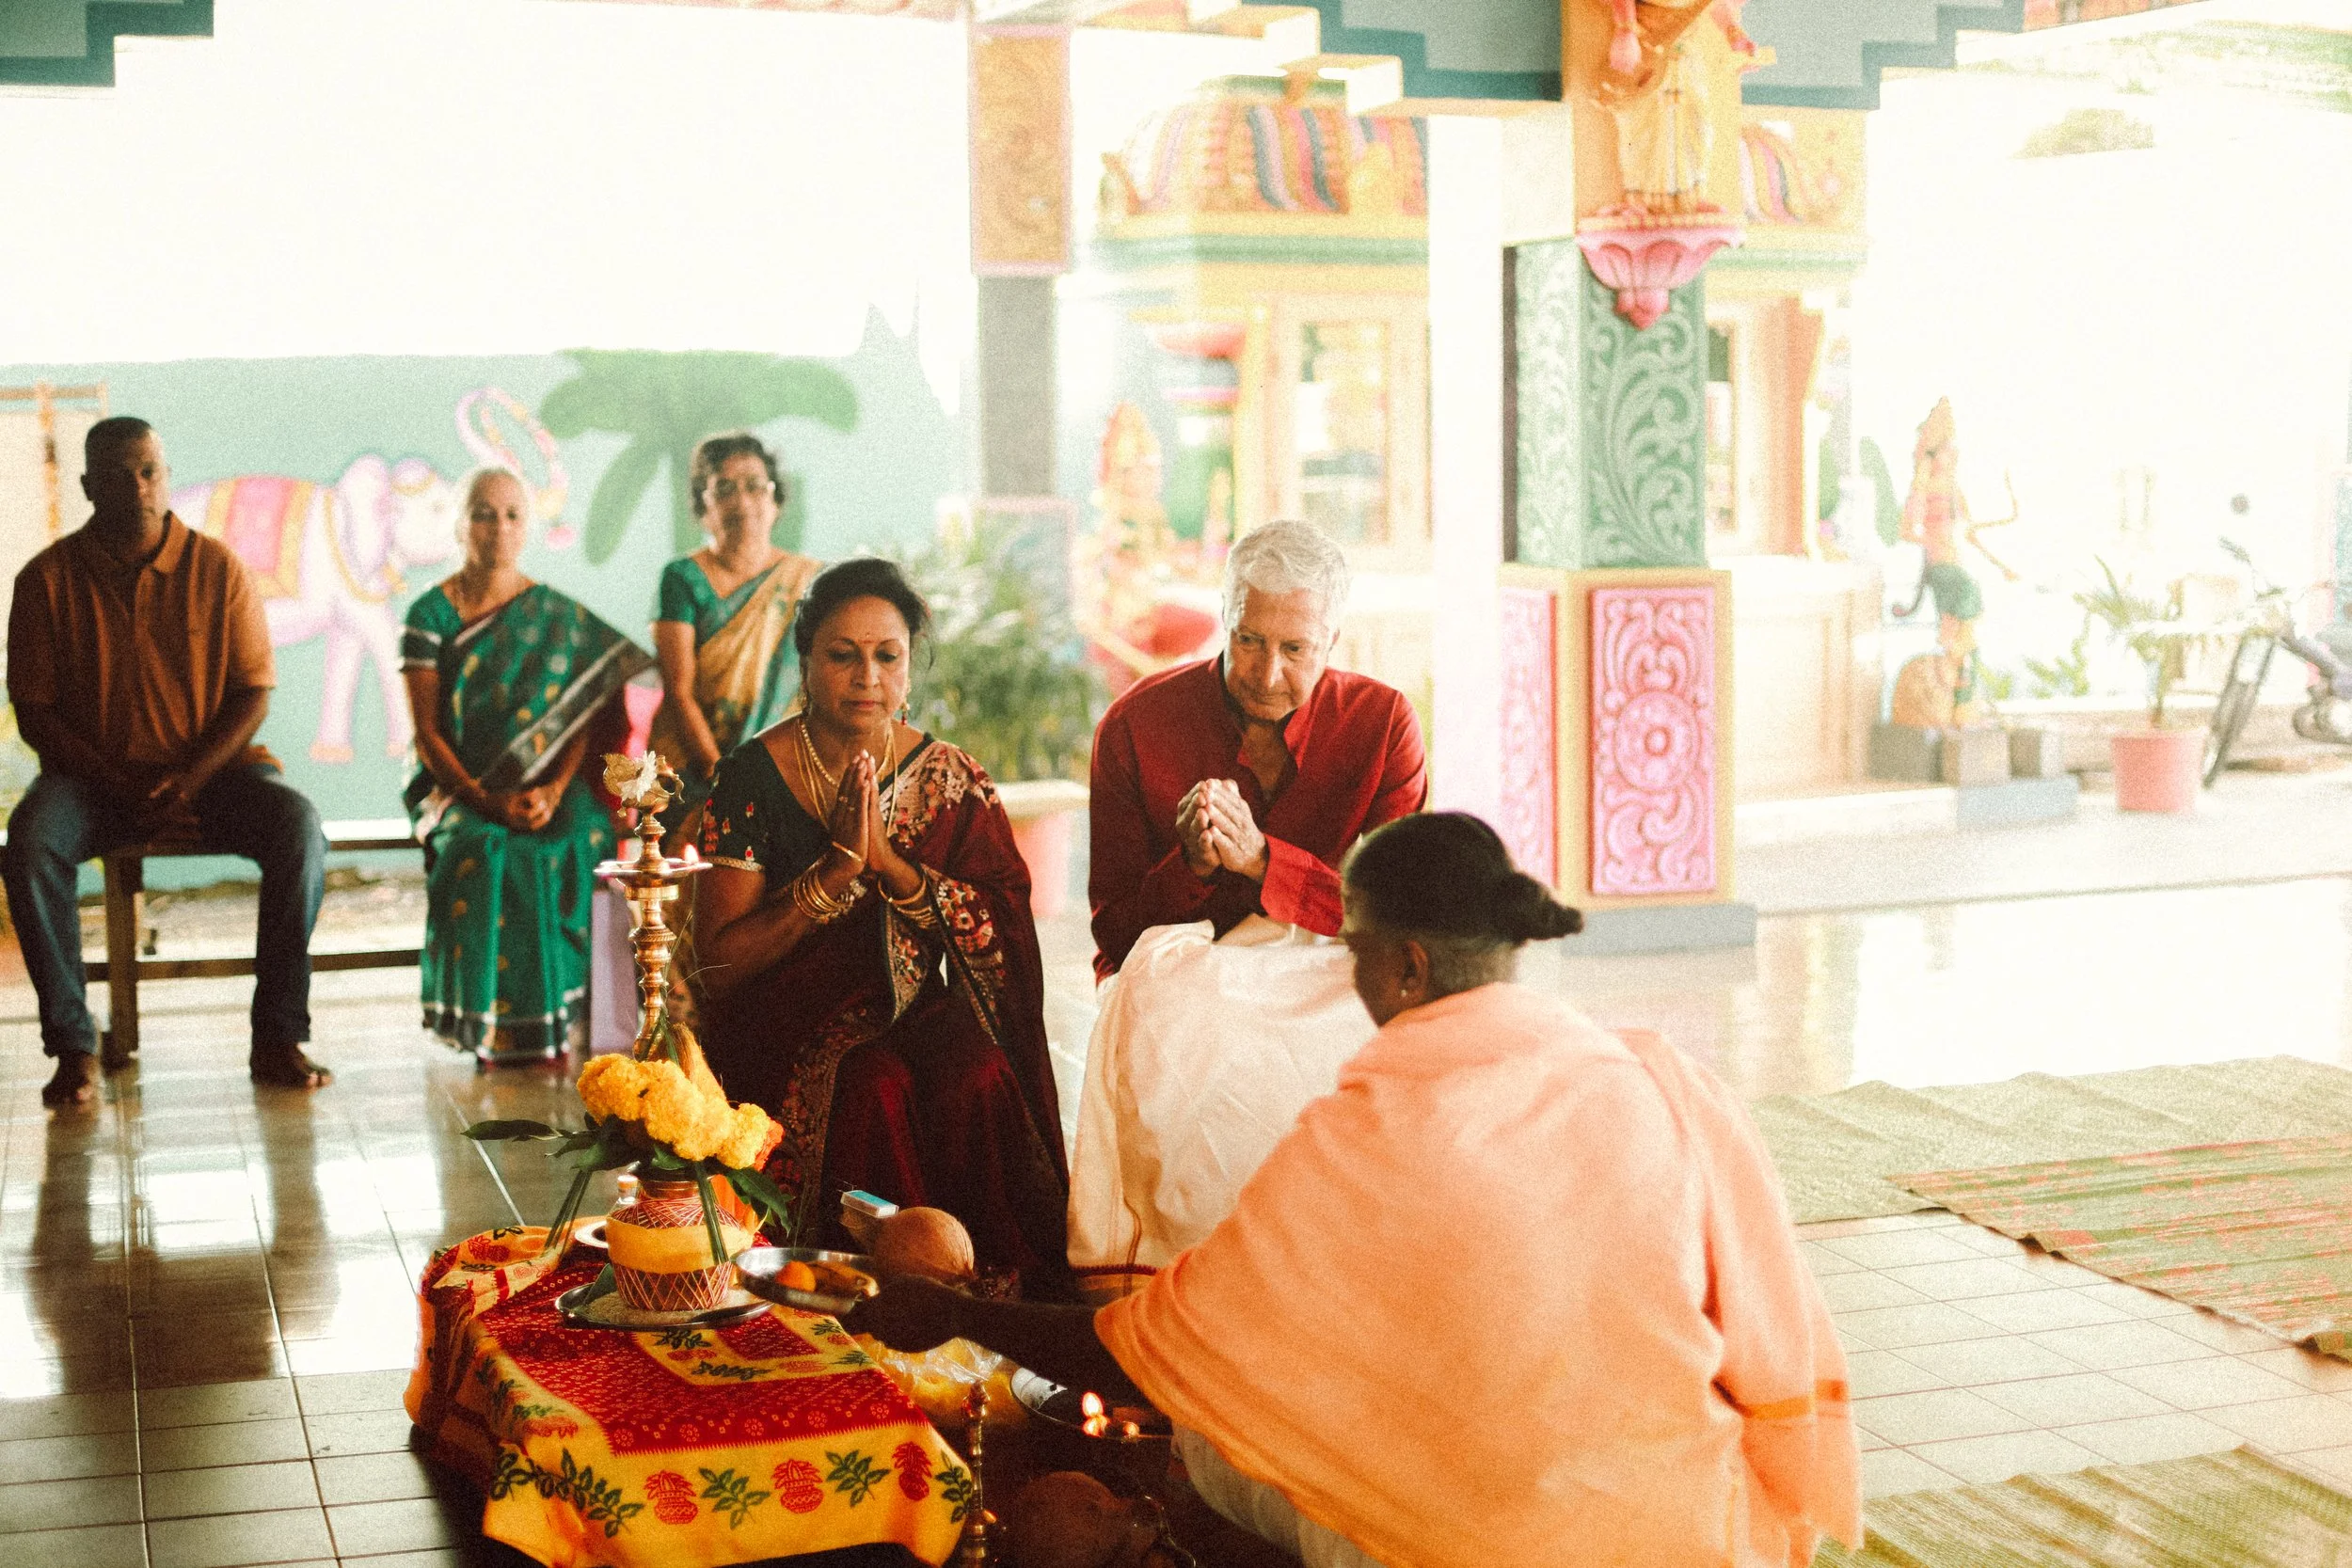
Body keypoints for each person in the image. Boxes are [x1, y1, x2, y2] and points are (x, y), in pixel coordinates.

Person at [856, 814, 1862, 1568]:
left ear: (1409, 966)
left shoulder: (1370, 1133)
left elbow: (1152, 1359)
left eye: (1355, 947)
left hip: (1507, 1544)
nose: (1351, 969)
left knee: (1219, 1436)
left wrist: (951, 1311)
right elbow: (1768, 1324)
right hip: (1702, 1525)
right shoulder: (1656, 1073)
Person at [1070, 519, 1424, 1291]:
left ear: (1332, 640)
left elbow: (1403, 913)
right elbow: (1116, 933)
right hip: (1188, 969)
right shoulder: (1136, 725)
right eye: (1249, 640)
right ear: (1223, 621)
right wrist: (1192, 862)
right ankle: (1187, 1281)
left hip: (1330, 962)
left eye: (1294, 649)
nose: (1266, 673)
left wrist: (1266, 861)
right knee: (1171, 1005)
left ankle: (1335, 1274)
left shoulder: (1383, 722)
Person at [692, 557, 1069, 1282]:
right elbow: (720, 963)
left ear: (907, 669)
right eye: (843, 655)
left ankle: (986, 1285)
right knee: (872, 1085)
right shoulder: (751, 777)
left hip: (908, 1005)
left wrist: (891, 866)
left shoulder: (948, 776)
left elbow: (1001, 932)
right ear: (805, 663)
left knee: (979, 1073)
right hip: (783, 1013)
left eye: (886, 656)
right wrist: (832, 875)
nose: (867, 675)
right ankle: (864, 1289)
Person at [6, 418, 331, 1107]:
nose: (139, 487)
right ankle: (73, 1045)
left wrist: (188, 778)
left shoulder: (218, 568)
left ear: (167, 474)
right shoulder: (46, 580)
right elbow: (34, 711)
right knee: (31, 842)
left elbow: (252, 693)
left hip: (216, 776)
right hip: (91, 784)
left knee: (298, 827)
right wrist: (113, 778)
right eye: (119, 475)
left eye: (150, 469)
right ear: (90, 486)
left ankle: (277, 1035)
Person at [400, 468, 651, 1065]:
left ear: (528, 526)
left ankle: (565, 1017)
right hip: (456, 787)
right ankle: (489, 1027)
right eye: (483, 513)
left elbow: (583, 712)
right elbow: (428, 734)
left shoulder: (556, 616)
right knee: (482, 852)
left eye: (513, 515)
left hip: (550, 786)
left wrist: (556, 787)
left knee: (577, 837)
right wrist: (487, 801)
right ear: (460, 524)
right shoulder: (429, 615)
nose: (499, 528)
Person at [647, 431, 821, 842]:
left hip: (783, 767)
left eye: (755, 486)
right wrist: (720, 774)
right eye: (724, 488)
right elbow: (679, 691)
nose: (742, 502)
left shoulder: (809, 581)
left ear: (775, 501)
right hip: (690, 769)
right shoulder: (682, 579)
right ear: (702, 507)